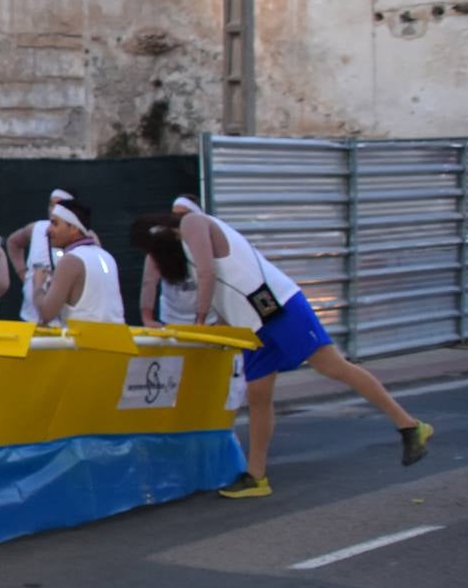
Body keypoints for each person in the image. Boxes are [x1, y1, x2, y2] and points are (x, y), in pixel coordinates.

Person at [132, 198, 433, 500]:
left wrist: (200, 321)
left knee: (332, 366)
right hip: (250, 321)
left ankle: (409, 425)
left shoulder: (192, 223)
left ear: (158, 234)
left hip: (276, 304)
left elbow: (211, 273)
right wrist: (218, 324)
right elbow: (224, 288)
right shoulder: (184, 247)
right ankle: (256, 475)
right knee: (259, 395)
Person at [32, 197, 125, 327]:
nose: (48, 230)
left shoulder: (70, 261)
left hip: (87, 343)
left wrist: (38, 284)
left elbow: (46, 313)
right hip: (119, 341)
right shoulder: (107, 256)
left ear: (74, 229)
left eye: (55, 223)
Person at [6, 187, 79, 324]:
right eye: (51, 205)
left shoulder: (84, 239)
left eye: (59, 205)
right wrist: (25, 275)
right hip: (30, 318)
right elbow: (12, 242)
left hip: (64, 325)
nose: (53, 210)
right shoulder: (37, 228)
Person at [137, 196, 201, 326]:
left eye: (183, 215)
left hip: (206, 321)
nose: (177, 221)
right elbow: (149, 282)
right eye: (174, 215)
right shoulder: (161, 242)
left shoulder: (205, 241)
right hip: (171, 319)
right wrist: (147, 318)